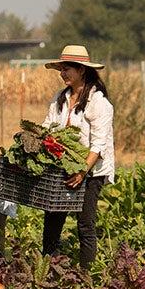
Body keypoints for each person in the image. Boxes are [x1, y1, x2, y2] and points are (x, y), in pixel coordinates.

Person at [40, 45, 115, 269]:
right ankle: (49, 270)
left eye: (67, 69)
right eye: (61, 69)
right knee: (52, 218)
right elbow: (48, 126)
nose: (63, 74)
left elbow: (99, 144)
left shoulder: (98, 102)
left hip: (91, 171)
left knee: (85, 223)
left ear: (82, 70)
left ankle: (86, 274)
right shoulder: (60, 98)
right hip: (62, 168)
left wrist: (82, 171)